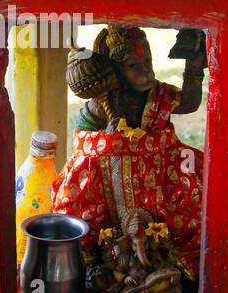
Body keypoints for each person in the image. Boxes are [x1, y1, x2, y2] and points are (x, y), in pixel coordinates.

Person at [52, 25, 205, 276]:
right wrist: (108, 138)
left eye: (148, 61)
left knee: (191, 203)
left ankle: (172, 257)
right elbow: (83, 143)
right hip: (110, 189)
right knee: (77, 205)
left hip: (160, 179)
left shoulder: (159, 94)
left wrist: (194, 67)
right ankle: (100, 258)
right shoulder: (103, 104)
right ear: (116, 71)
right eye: (133, 66)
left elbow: (188, 102)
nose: (146, 71)